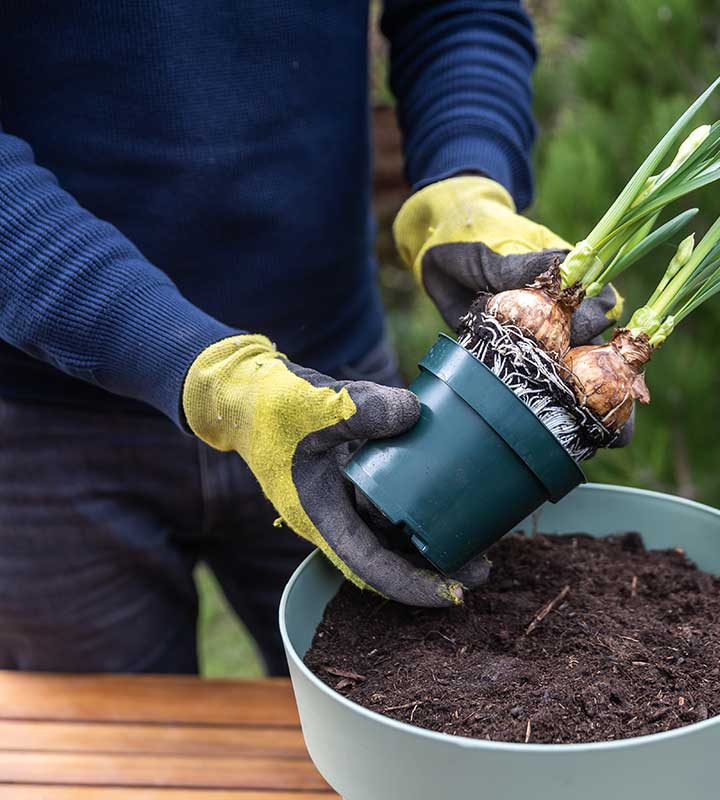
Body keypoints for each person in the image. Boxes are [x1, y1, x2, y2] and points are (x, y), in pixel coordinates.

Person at [0, 1, 619, 675]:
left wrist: (466, 176)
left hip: (336, 405)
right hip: (48, 420)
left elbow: (459, 10)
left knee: (396, 718)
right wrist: (210, 379)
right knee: (103, 762)